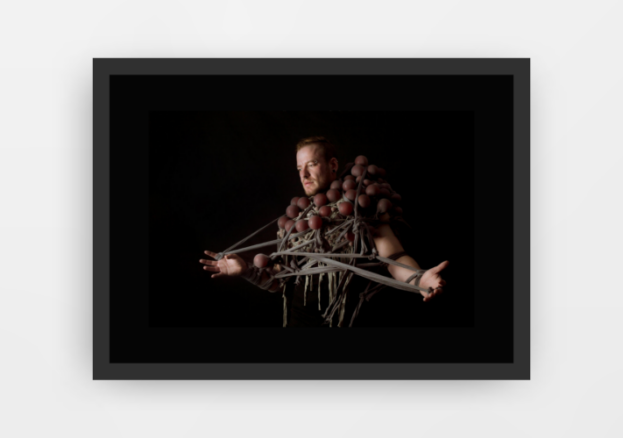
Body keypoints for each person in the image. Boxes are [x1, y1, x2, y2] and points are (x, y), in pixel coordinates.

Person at [199, 136, 449, 327]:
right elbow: (280, 281)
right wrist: (247, 271)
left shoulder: (359, 211)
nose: (304, 174)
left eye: (311, 164)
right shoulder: (298, 219)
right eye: (299, 168)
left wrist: (419, 279)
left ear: (332, 165)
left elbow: (393, 258)